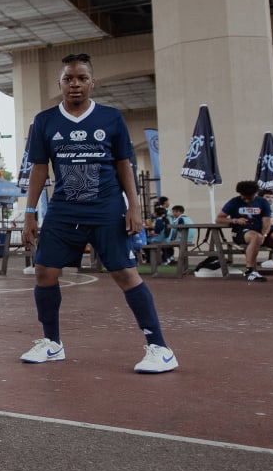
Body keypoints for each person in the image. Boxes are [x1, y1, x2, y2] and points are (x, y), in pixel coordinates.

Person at [20, 53, 177, 373]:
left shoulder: (111, 117)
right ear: (59, 83)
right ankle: (52, 344)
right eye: (68, 79)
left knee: (124, 274)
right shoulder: (45, 121)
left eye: (81, 78)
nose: (74, 84)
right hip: (64, 209)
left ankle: (160, 348)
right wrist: (30, 212)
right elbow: (39, 168)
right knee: (44, 272)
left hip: (105, 207)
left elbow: (124, 165)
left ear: (93, 82)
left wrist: (134, 206)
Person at [216, 180, 273, 283]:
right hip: (242, 231)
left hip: (263, 231)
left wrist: (264, 234)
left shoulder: (262, 202)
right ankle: (250, 270)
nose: (246, 200)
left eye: (249, 197)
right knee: (256, 237)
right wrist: (235, 220)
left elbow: (267, 221)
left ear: (255, 194)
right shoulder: (234, 202)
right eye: (243, 197)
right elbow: (219, 219)